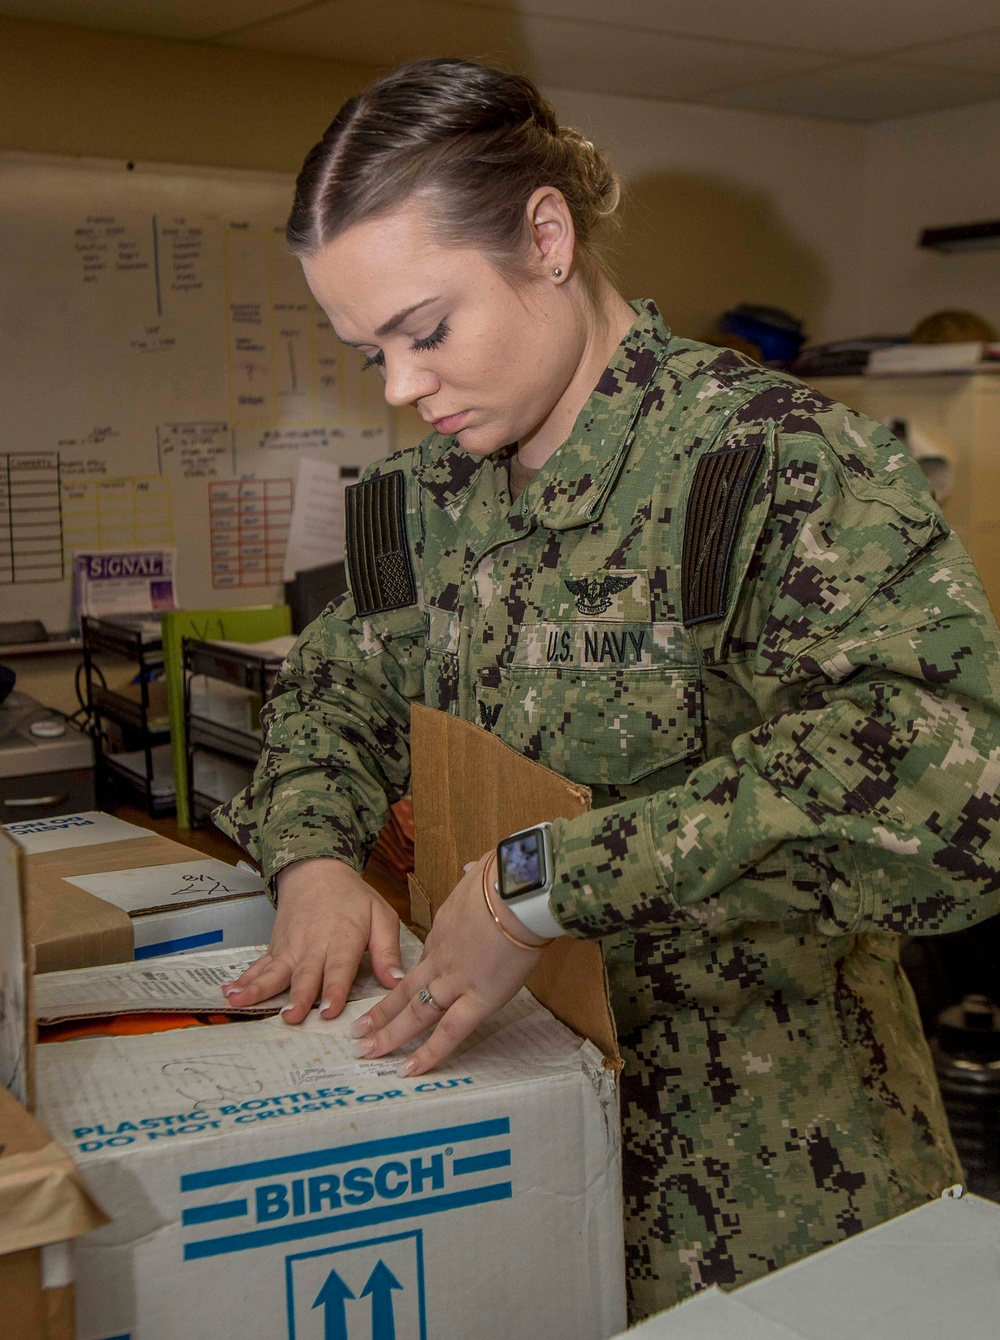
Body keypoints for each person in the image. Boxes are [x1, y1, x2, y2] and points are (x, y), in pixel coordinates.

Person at [215, 58, 1000, 1320]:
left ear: (545, 235)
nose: (401, 388)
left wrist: (541, 884)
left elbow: (951, 789)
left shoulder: (770, 464)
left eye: (426, 330)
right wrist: (308, 854)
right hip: (513, 1152)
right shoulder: (414, 509)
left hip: (773, 1195)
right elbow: (332, 695)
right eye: (369, 350)